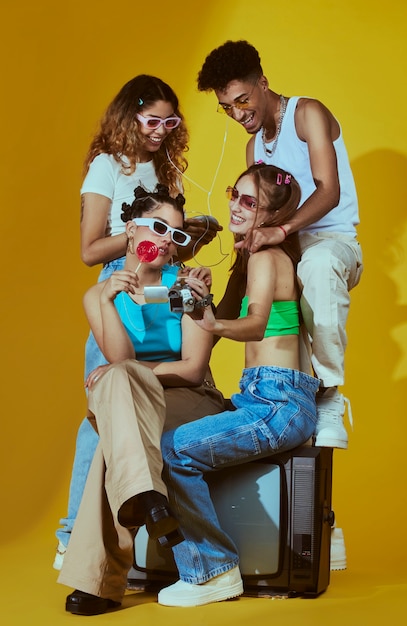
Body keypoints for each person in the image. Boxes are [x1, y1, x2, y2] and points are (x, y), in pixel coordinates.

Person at [54, 74, 221, 568]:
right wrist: (139, 237)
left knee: (141, 405)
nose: (162, 130)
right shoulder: (108, 167)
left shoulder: (165, 169)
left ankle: (141, 511)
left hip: (164, 284)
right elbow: (88, 248)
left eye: (171, 121)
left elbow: (191, 364)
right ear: (130, 117)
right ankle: (72, 534)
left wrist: (182, 235)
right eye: (153, 120)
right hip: (120, 283)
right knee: (101, 412)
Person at [157, 162, 320, 608]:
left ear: (270, 213)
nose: (235, 205)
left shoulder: (268, 258)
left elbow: (256, 324)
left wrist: (215, 321)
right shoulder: (251, 261)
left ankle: (213, 569)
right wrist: (201, 296)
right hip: (259, 396)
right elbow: (219, 320)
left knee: (176, 449)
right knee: (171, 437)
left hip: (278, 400)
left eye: (249, 201)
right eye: (234, 194)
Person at [58, 184, 226, 616]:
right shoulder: (97, 296)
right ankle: (149, 499)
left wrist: (129, 375)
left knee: (114, 406)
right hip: (135, 401)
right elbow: (120, 357)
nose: (167, 240)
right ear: (130, 230)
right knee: (116, 392)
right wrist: (111, 299)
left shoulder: (187, 286)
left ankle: (100, 581)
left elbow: (191, 368)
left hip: (189, 396)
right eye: (157, 227)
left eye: (176, 234)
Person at [197, 40, 363, 451]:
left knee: (318, 267)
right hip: (285, 250)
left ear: (263, 83)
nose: (238, 114)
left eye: (242, 100)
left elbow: (329, 190)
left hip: (329, 243)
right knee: (255, 286)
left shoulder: (308, 113)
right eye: (227, 107)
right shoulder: (255, 147)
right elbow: (256, 215)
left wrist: (281, 231)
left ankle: (329, 396)